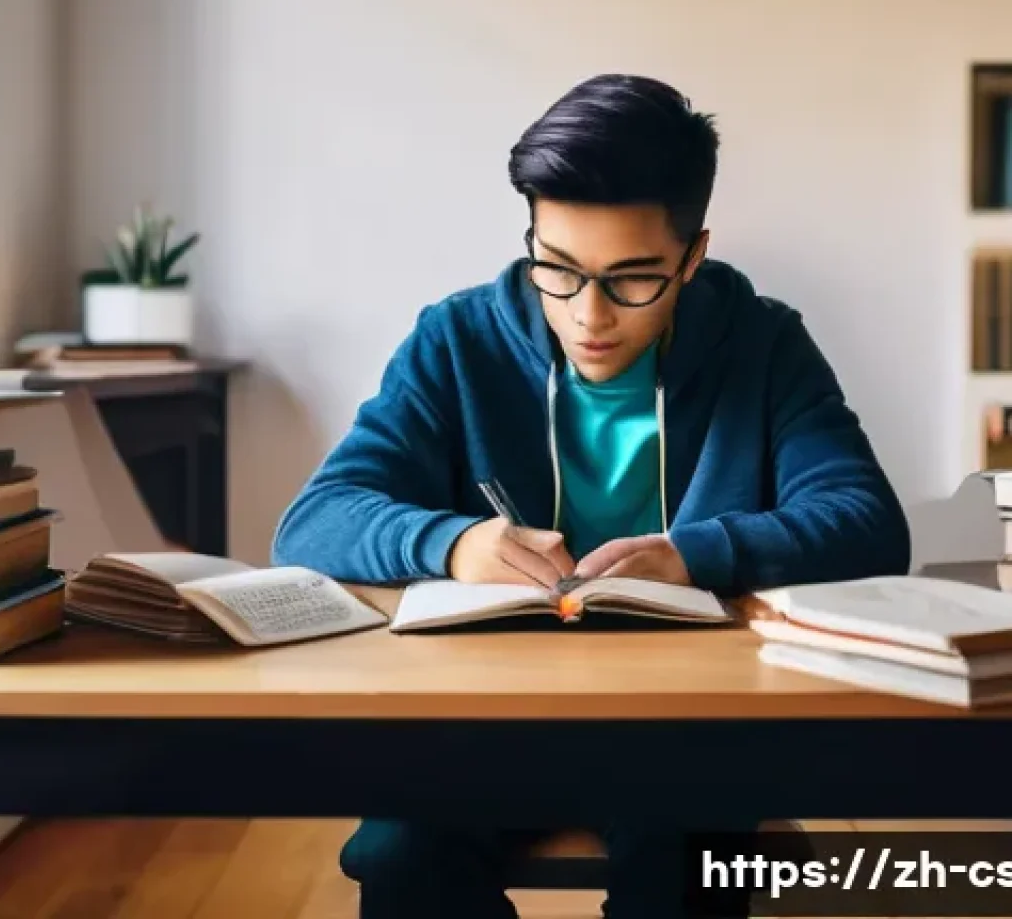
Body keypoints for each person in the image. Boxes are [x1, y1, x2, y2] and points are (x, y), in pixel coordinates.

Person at [271, 73, 911, 918]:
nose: (588, 315)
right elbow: (315, 520)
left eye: (634, 278)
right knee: (403, 856)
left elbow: (867, 524)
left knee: (691, 858)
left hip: (687, 724)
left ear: (694, 255)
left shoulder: (763, 343)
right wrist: (458, 545)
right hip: (483, 717)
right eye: (558, 269)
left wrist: (693, 554)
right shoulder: (456, 339)